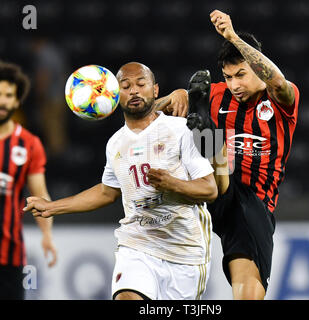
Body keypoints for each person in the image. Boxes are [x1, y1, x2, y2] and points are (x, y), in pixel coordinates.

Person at [24, 62, 218, 300]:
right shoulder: (116, 143)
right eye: (125, 86)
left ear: (155, 90)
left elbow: (209, 189)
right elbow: (107, 192)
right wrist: (52, 206)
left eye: (141, 84)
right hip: (137, 246)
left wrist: (172, 184)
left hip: (185, 252)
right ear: (115, 95)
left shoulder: (180, 130)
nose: (134, 91)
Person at [159, 10, 300, 300]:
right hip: (207, 188)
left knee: (247, 290)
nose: (234, 85)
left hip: (252, 201)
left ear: (257, 68)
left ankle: (209, 142)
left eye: (241, 75)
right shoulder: (215, 93)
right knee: (188, 117)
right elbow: (147, 116)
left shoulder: (282, 99)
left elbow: (276, 82)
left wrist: (233, 37)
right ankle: (207, 143)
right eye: (227, 77)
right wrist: (172, 97)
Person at [0, 61, 57, 300]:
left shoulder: (29, 144)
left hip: (9, 257)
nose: (2, 101)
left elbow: (40, 196)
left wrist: (47, 235)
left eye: (9, 95)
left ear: (16, 101)